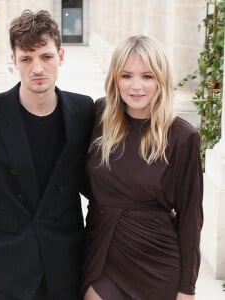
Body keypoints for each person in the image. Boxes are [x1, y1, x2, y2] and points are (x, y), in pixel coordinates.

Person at [0, 9, 94, 300]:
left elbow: (96, 186)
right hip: (4, 269)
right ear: (14, 60)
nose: (37, 68)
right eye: (26, 58)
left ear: (61, 57)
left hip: (65, 265)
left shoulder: (84, 110)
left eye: (46, 57)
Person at [82, 35, 203, 300]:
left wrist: (187, 288)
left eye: (147, 76)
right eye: (127, 75)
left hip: (157, 264)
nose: (136, 86)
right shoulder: (99, 116)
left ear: (161, 80)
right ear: (115, 78)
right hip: (102, 254)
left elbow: (191, 217)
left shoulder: (183, 136)